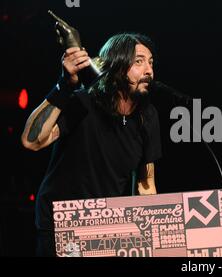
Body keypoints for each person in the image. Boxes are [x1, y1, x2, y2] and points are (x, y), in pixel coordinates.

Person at [21, 33, 162, 256]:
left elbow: (146, 184)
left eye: (151, 62)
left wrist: (152, 236)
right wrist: (64, 86)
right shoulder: (84, 103)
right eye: (139, 61)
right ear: (116, 66)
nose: (149, 71)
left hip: (104, 229)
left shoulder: (148, 117)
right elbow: (31, 141)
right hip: (60, 226)